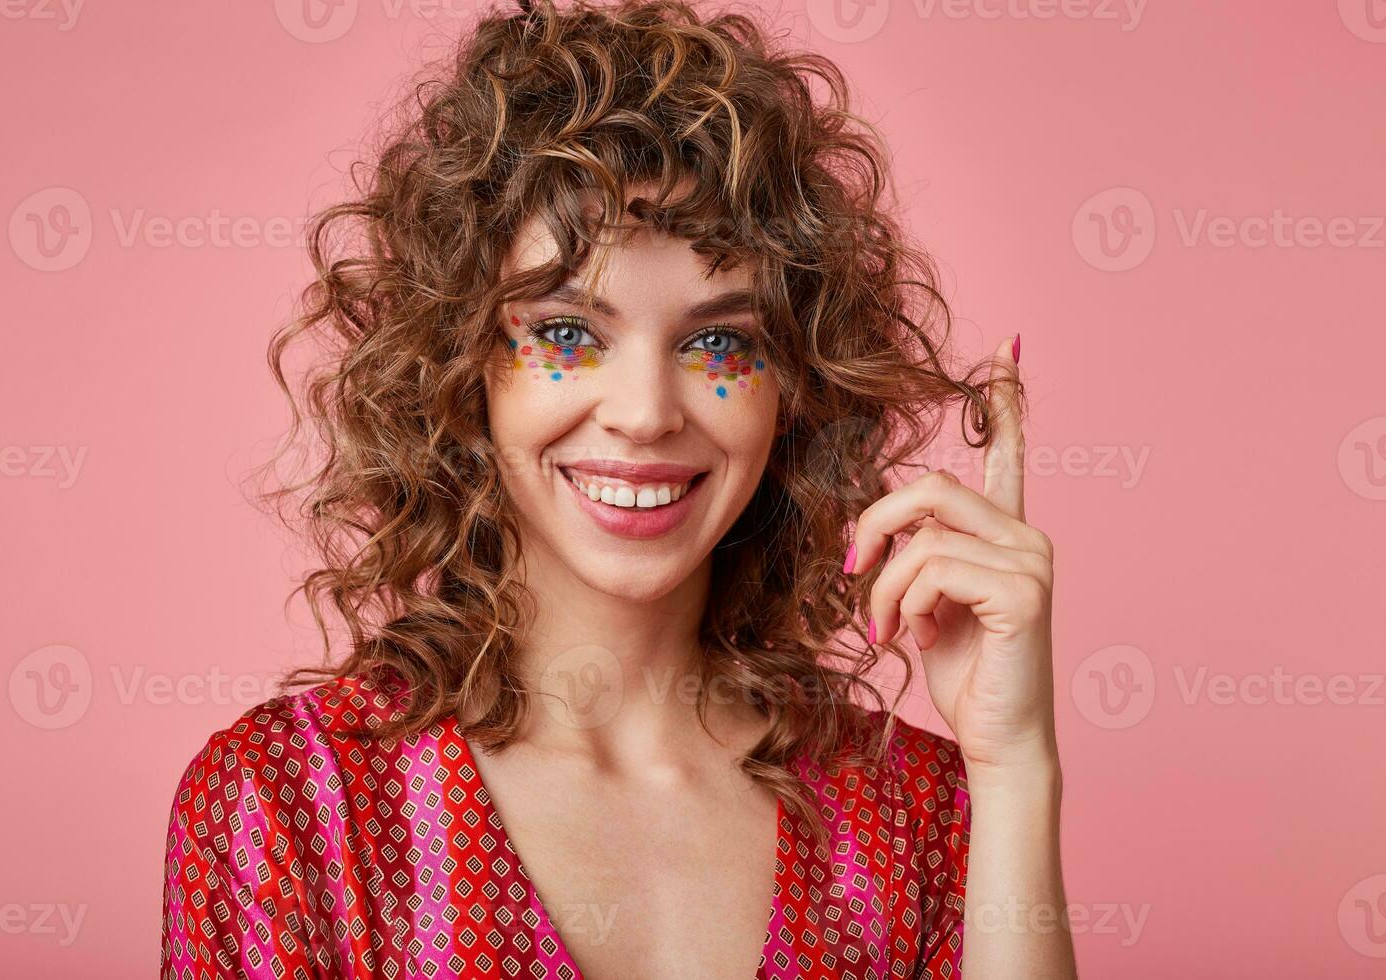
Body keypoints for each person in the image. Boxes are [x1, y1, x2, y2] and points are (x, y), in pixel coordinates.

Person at [160, 0, 1076, 977]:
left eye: (718, 341)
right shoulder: (287, 806)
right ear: (462, 361)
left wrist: (1015, 768)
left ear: (792, 385)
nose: (644, 411)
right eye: (566, 333)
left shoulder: (916, 815)